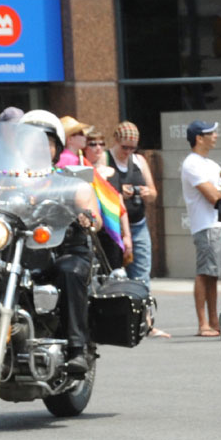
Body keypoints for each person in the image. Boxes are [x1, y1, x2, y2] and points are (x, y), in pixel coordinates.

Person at [20, 110, 102, 374]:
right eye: (32, 142)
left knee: (69, 272)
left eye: (46, 142)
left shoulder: (70, 183)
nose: (39, 148)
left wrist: (87, 216)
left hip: (66, 252)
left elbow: (95, 217)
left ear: (56, 147)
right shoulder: (10, 183)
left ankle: (78, 348)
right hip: (23, 254)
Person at [180, 119, 221, 337]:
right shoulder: (192, 163)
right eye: (210, 133)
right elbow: (214, 196)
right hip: (204, 225)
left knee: (213, 274)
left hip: (217, 224)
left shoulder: (211, 164)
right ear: (199, 138)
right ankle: (203, 324)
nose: (215, 136)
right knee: (203, 273)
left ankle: (214, 321)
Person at [108, 122, 159, 286]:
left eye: (132, 148)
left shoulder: (139, 160)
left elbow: (153, 193)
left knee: (142, 275)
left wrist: (146, 193)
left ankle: (144, 310)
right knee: (115, 276)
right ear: (115, 140)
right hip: (115, 228)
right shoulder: (105, 158)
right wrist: (119, 191)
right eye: (124, 148)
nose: (128, 152)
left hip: (138, 224)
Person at [85, 130, 133, 272]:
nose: (98, 147)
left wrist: (127, 236)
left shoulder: (112, 173)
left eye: (102, 144)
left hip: (111, 230)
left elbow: (120, 206)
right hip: (92, 229)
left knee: (114, 273)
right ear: (85, 148)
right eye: (93, 144)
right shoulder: (83, 171)